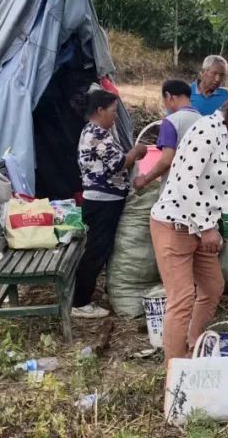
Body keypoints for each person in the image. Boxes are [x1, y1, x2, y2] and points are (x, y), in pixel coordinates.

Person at [149, 84, 228, 359]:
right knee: (181, 300)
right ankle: (176, 368)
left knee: (213, 288)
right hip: (175, 225)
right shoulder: (205, 131)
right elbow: (184, 182)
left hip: (203, 231)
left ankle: (194, 345)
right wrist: (206, 227)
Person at [75, 89, 147, 319]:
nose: (115, 116)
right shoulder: (96, 133)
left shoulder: (98, 132)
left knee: (102, 247)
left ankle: (90, 293)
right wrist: (135, 152)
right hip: (102, 202)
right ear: (100, 110)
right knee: (96, 249)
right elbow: (118, 164)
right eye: (113, 111)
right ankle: (80, 302)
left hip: (106, 200)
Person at [132, 80, 201, 190]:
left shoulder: (171, 121)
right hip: (199, 187)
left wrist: (144, 180)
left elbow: (166, 160)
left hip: (175, 189)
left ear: (168, 96)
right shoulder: (204, 121)